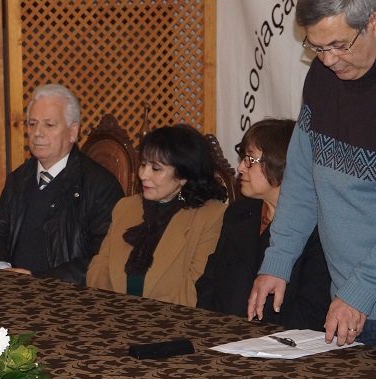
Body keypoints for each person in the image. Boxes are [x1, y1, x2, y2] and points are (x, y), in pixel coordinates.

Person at [249, 0, 376, 346]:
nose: (329, 60)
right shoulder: (321, 78)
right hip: (349, 300)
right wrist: (278, 259)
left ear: (372, 22)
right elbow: (303, 180)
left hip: (357, 296)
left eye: (339, 45)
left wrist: (361, 290)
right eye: (317, 48)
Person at [0, 84, 124, 284]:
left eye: (49, 125)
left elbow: (102, 258)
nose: (37, 133)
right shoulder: (19, 179)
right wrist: (3, 271)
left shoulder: (99, 186)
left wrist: (37, 280)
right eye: (32, 124)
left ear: (73, 132)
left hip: (67, 296)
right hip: (13, 290)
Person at [197, 119, 331, 329]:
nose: (240, 167)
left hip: (280, 340)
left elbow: (312, 307)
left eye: (250, 159)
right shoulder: (238, 213)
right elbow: (209, 281)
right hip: (221, 333)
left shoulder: (317, 228)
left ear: (281, 165)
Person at [86, 125, 227, 307]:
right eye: (143, 165)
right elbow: (99, 268)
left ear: (183, 176)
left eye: (156, 168)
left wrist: (142, 317)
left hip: (170, 319)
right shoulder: (125, 207)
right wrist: (109, 310)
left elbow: (194, 288)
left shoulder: (211, 216)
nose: (144, 175)